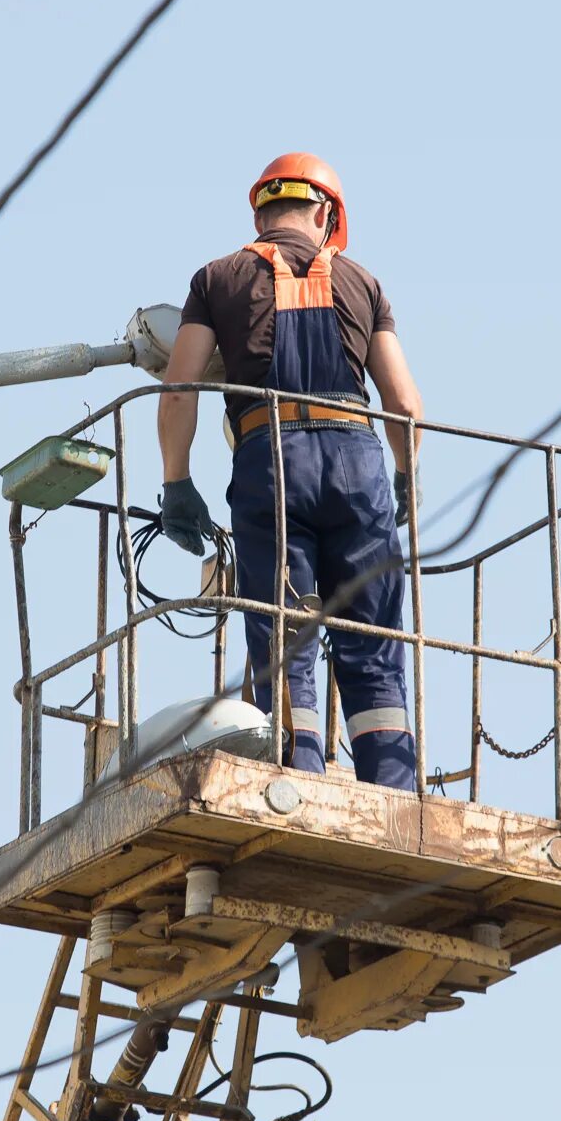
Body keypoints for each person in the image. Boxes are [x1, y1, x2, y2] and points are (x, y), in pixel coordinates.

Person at [154, 153, 424, 791]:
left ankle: (296, 781)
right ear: (326, 213)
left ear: (259, 211)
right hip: (359, 465)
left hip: (270, 460)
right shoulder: (363, 282)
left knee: (283, 637)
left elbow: (177, 389)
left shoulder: (217, 278)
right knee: (372, 641)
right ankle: (392, 789)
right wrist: (405, 476)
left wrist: (176, 481)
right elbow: (406, 406)